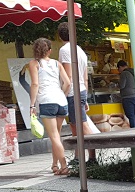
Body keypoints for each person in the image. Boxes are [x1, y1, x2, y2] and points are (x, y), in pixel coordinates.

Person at [28, 38, 72, 175]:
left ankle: (64, 166)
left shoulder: (34, 64)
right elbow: (68, 83)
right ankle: (54, 165)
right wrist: (62, 95)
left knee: (53, 136)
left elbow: (35, 84)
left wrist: (32, 105)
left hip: (47, 101)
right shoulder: (57, 63)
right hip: (61, 101)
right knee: (57, 135)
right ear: (50, 51)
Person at [57, 22, 95, 162]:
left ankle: (92, 156)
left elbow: (68, 75)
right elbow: (84, 77)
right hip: (81, 90)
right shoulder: (80, 50)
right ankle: (79, 156)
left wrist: (63, 94)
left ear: (59, 35)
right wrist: (85, 96)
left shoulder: (65, 50)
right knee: (75, 125)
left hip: (73, 91)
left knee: (82, 125)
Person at [117, 60, 135, 127]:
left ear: (120, 67)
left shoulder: (124, 73)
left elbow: (122, 85)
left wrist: (117, 83)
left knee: (130, 115)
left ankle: (134, 131)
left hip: (127, 97)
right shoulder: (133, 71)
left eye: (118, 69)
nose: (119, 71)